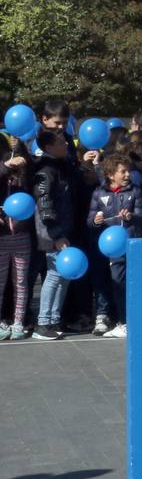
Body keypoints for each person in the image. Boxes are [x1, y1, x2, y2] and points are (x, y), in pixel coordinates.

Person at [86, 153, 142, 337]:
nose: (128, 175)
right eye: (123, 172)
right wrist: (96, 220)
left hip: (130, 244)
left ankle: (127, 321)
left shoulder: (135, 191)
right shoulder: (99, 192)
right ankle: (115, 318)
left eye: (129, 171)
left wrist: (131, 217)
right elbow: (89, 221)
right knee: (114, 283)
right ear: (111, 175)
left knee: (127, 283)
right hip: (108, 247)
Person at [31, 130, 76, 340]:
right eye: (61, 142)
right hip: (52, 233)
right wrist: (56, 234)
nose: (66, 144)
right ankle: (43, 322)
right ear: (48, 147)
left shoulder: (62, 166)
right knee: (55, 274)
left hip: (63, 230)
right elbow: (44, 203)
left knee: (63, 275)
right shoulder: (45, 170)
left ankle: (54, 318)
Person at [0, 133, 34, 340]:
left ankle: (18, 322)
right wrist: (5, 166)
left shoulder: (24, 173)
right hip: (1, 237)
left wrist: (22, 156)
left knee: (20, 283)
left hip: (21, 235)